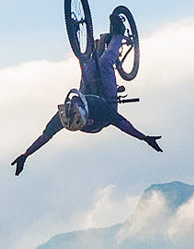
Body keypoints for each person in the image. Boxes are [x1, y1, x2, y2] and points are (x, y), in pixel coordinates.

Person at [11, 14, 162, 175]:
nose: (72, 103)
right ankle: (118, 33)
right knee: (105, 63)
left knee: (87, 65)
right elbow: (124, 124)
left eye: (72, 104)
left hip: (88, 99)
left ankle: (92, 46)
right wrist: (144, 138)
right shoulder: (100, 111)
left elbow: (45, 136)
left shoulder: (67, 114)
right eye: (74, 104)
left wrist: (25, 154)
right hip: (106, 102)